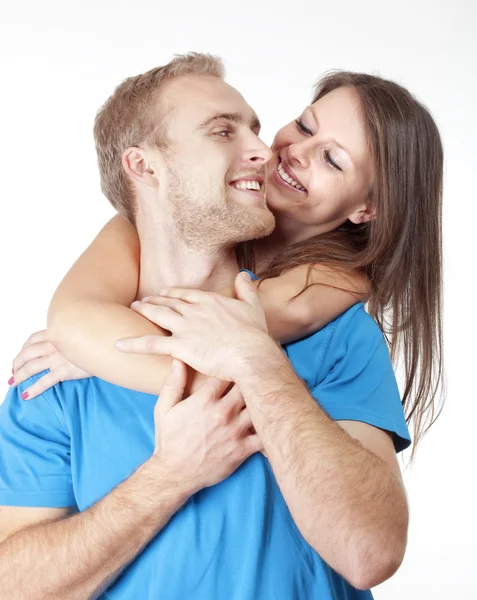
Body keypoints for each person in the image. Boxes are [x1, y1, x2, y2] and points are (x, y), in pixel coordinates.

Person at [0, 52, 441, 598]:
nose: (270, 151)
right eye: (301, 126)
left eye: (332, 159)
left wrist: (255, 362)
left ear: (365, 210)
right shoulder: (60, 362)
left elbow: (370, 553)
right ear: (144, 168)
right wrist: (170, 473)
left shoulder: (336, 319)